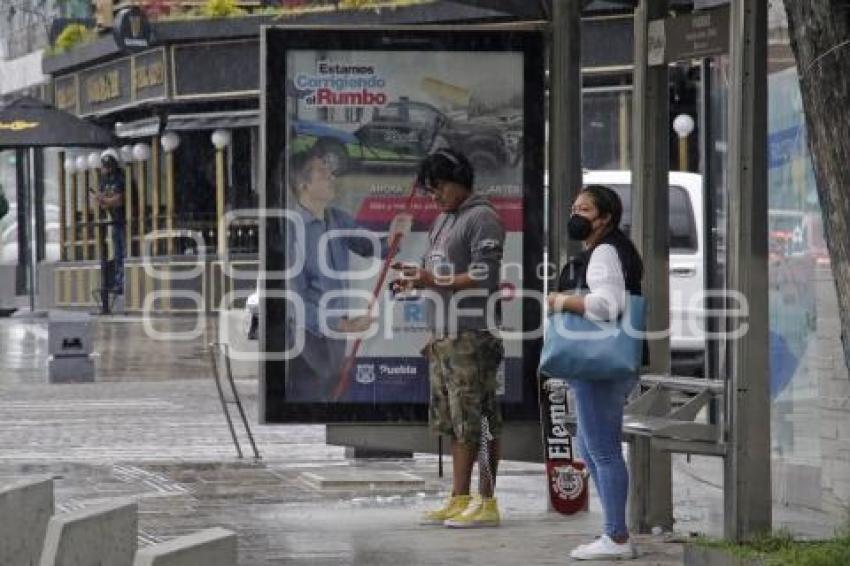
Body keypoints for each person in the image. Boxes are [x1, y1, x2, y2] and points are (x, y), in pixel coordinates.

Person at [390, 149, 506, 528]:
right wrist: (415, 276)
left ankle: (487, 500)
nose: (434, 196)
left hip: (472, 335)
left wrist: (430, 280)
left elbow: (483, 276)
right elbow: (436, 271)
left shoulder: (482, 217)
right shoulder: (443, 220)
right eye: (429, 189)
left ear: (458, 181)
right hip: (444, 337)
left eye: (437, 187)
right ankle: (459, 496)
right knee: (456, 423)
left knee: (482, 421)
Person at [546, 185, 643, 561]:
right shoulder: (612, 248)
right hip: (603, 361)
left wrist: (560, 301)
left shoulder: (604, 251)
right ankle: (613, 530)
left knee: (601, 449)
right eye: (574, 207)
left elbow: (607, 305)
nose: (576, 214)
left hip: (598, 363)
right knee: (590, 446)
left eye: (585, 209)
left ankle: (616, 537)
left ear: (605, 218)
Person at [285, 147, 411, 401]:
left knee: (334, 398)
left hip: (335, 339)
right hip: (308, 341)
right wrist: (344, 324)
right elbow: (295, 303)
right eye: (322, 172)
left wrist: (395, 235)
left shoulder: (338, 220)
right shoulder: (292, 232)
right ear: (303, 185)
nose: (332, 175)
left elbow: (375, 248)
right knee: (313, 401)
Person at [95, 148, 126, 294]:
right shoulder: (103, 180)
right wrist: (104, 201)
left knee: (125, 252)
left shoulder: (121, 177)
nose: (105, 168)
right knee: (118, 253)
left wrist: (106, 200)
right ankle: (119, 283)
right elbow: (101, 201)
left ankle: (124, 282)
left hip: (126, 221)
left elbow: (120, 200)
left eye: (108, 165)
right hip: (114, 222)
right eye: (104, 165)